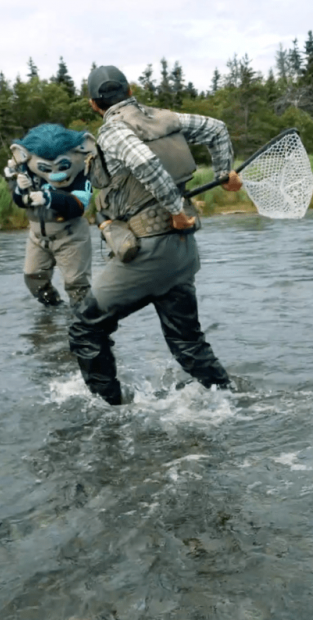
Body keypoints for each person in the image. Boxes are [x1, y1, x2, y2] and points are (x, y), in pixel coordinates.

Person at [68, 65, 243, 405]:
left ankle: (110, 411)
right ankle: (229, 400)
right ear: (130, 90)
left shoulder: (113, 131)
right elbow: (217, 129)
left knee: (85, 327)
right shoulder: (167, 118)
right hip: (182, 250)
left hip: (148, 252)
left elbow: (146, 163)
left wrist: (175, 208)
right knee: (187, 342)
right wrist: (224, 172)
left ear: (93, 104)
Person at [4, 123, 94, 307]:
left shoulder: (81, 175)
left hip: (71, 236)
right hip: (37, 238)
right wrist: (19, 188)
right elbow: (21, 202)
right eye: (46, 168)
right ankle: (54, 310)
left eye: (62, 166)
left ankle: (84, 317)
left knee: (76, 285)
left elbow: (77, 207)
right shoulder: (29, 172)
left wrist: (49, 198)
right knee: (33, 277)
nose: (55, 175)